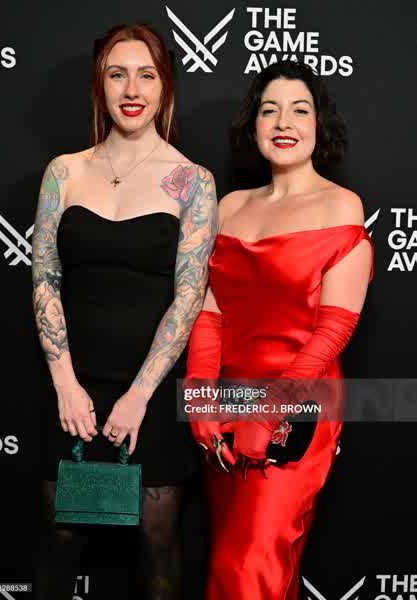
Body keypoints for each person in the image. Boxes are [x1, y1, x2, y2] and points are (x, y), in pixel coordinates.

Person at [31, 23, 217, 600]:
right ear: (100, 84)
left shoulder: (193, 181)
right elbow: (45, 278)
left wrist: (139, 396)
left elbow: (189, 297)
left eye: (146, 75)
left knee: (158, 544)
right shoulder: (64, 172)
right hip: (71, 389)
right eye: (118, 74)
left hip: (150, 393)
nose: (131, 89)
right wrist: (65, 384)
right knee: (60, 537)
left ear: (165, 87)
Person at [186, 60, 375, 599]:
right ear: (253, 126)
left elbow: (330, 335)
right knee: (257, 567)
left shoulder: (341, 206)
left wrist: (269, 414)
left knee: (249, 564)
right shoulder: (231, 207)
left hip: (299, 409)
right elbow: (211, 312)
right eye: (270, 110)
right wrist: (199, 398)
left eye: (300, 110)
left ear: (319, 124)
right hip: (227, 405)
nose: (284, 122)